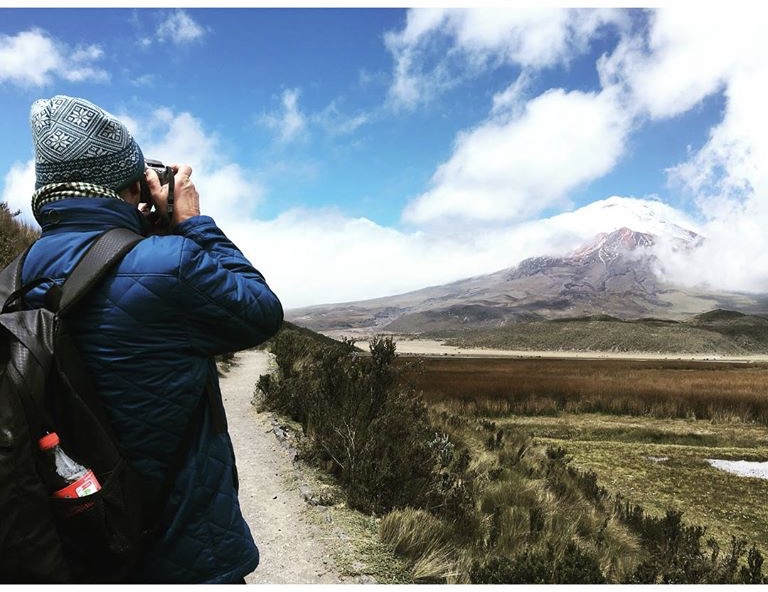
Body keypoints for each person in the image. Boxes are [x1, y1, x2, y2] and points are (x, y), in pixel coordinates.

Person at [21, 95, 283, 583]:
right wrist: (191, 225)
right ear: (130, 184)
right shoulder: (171, 264)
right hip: (181, 549)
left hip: (73, 543)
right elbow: (262, 312)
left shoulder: (12, 279)